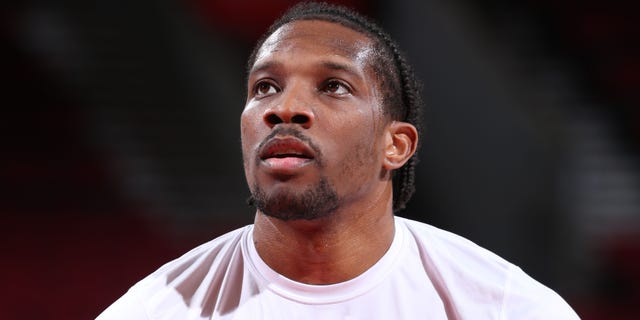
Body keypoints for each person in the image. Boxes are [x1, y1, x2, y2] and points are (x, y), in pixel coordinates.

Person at [97, 2, 580, 319]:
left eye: (334, 86)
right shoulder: (156, 309)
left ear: (397, 145)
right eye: (265, 87)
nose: (284, 109)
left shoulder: (503, 307)